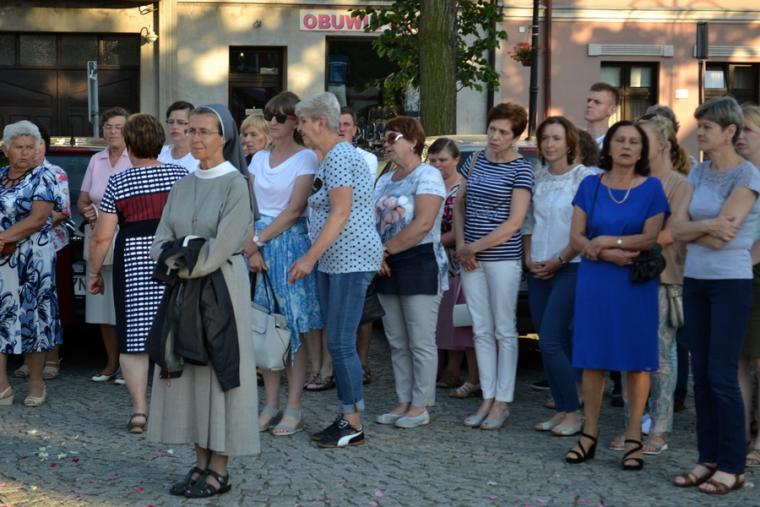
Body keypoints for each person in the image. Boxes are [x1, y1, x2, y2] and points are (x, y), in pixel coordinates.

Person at [148, 104, 258, 498]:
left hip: (222, 288)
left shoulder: (236, 185)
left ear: (223, 137)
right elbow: (160, 240)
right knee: (190, 372)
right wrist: (178, 259)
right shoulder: (182, 184)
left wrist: (182, 261)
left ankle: (220, 469)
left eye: (204, 131)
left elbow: (223, 245)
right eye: (191, 130)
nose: (195, 138)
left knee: (218, 369)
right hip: (183, 290)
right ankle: (199, 462)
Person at [565, 121, 668, 471]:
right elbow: (576, 236)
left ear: (642, 151)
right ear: (608, 146)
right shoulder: (590, 185)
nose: (626, 147)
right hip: (596, 278)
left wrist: (608, 241)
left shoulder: (652, 188)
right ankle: (589, 432)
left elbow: (650, 237)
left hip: (633, 283)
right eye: (620, 140)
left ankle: (634, 435)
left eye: (634, 142)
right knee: (593, 358)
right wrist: (605, 253)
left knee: (636, 360)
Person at [672, 97, 760, 494]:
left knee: (722, 375)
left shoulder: (748, 175)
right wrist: (705, 227)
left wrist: (694, 230)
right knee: (703, 377)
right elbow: (675, 228)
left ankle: (732, 465)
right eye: (700, 125)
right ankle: (707, 458)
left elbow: (727, 238)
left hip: (730, 283)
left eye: (707, 127)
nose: (700, 132)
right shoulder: (698, 171)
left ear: (729, 131)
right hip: (695, 280)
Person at [292, 92, 383, 447]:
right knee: (338, 340)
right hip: (336, 260)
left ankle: (352, 421)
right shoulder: (329, 157)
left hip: (350, 259)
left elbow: (341, 211)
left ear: (320, 122)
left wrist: (309, 257)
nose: (300, 128)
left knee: (341, 343)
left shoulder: (341, 155)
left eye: (303, 121)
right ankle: (349, 415)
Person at [86, 113, 187, 434]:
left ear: (129, 145)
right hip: (173, 259)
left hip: (133, 262)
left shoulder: (120, 182)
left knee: (133, 337)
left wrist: (93, 272)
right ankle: (173, 410)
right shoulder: (181, 175)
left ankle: (140, 410)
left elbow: (102, 236)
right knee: (173, 333)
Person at [607, 114, 690, 455]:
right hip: (624, 275)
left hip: (662, 278)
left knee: (661, 357)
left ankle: (659, 427)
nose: (634, 145)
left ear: (663, 145)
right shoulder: (632, 182)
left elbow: (670, 234)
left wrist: (618, 244)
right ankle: (633, 426)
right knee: (629, 355)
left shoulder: (679, 184)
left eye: (642, 139)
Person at [245, 91, 322, 436]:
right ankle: (270, 404)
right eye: (269, 116)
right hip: (257, 246)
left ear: (295, 122)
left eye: (281, 117)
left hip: (288, 246)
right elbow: (249, 205)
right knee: (263, 326)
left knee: (290, 329)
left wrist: (258, 241)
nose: (273, 122)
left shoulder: (306, 159)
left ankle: (293, 405)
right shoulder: (258, 158)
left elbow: (294, 211)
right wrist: (251, 247)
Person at [453, 102, 534, 430]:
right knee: (481, 329)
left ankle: (503, 401)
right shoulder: (473, 160)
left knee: (504, 329)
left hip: (502, 259)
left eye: (503, 132)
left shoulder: (522, 169)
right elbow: (459, 206)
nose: (495, 136)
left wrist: (474, 248)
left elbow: (514, 223)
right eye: (492, 129)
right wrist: (463, 247)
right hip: (470, 259)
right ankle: (487, 396)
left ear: (516, 136)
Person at [373, 116, 447, 429]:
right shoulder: (384, 179)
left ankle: (420, 404)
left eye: (392, 137)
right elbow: (371, 221)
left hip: (419, 260)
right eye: (384, 138)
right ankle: (403, 400)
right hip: (387, 264)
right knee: (397, 340)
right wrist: (378, 254)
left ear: (413, 141)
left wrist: (384, 251)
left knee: (420, 340)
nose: (385, 144)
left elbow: (424, 223)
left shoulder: (428, 175)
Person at [525, 116, 593, 436]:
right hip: (538, 266)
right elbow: (528, 223)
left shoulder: (584, 178)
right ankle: (562, 407)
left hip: (571, 265)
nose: (550, 144)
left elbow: (586, 227)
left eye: (556, 138)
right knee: (549, 341)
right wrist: (528, 257)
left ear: (569, 143)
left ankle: (575, 412)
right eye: (545, 138)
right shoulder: (537, 177)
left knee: (552, 339)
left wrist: (560, 259)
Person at [0, 120, 60, 407]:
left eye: (29, 147)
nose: (24, 153)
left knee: (34, 319)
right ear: (6, 150)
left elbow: (37, 219)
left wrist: (3, 238)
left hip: (33, 262)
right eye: (18, 147)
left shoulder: (44, 177)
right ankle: (2, 386)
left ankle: (37, 384)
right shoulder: (0, 176)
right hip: (2, 261)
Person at [77, 107, 131, 383]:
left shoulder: (135, 157)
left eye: (118, 126)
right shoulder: (95, 159)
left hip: (124, 235)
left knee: (126, 303)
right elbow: (83, 199)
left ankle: (128, 364)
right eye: (108, 126)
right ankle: (110, 363)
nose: (112, 131)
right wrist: (87, 210)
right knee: (102, 305)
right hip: (97, 234)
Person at [13, 126, 71, 381]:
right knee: (24, 305)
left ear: (44, 146)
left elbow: (62, 211)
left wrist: (30, 223)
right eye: (24, 146)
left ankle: (51, 358)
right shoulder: (13, 175)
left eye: (36, 145)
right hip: (17, 248)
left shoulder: (55, 173)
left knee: (47, 305)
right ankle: (28, 360)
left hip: (50, 246)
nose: (31, 151)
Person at [428, 138, 480, 399]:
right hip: (432, 257)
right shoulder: (428, 183)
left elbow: (463, 224)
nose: (438, 165)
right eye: (433, 160)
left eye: (443, 160)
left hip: (454, 256)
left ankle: (454, 368)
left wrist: (433, 240)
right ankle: (437, 367)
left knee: (455, 316)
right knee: (436, 317)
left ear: (456, 160)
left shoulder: (463, 186)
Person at [339, 106, 380, 384]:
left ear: (355, 129)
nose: (341, 128)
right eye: (338, 124)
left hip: (358, 238)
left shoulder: (367, 158)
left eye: (346, 124)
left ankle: (362, 360)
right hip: (331, 242)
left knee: (363, 309)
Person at [737, 104, 760, 469]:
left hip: (752, 271)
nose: (739, 136)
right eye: (737, 130)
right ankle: (737, 434)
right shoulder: (735, 175)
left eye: (748, 130)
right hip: (734, 273)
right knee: (736, 358)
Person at [158, 100, 198, 173]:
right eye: (171, 122)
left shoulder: (200, 158)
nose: (174, 126)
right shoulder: (160, 153)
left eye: (180, 122)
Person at [584, 82, 619, 148]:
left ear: (612, 110)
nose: (589, 105)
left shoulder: (615, 145)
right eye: (589, 100)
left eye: (597, 102)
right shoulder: (574, 141)